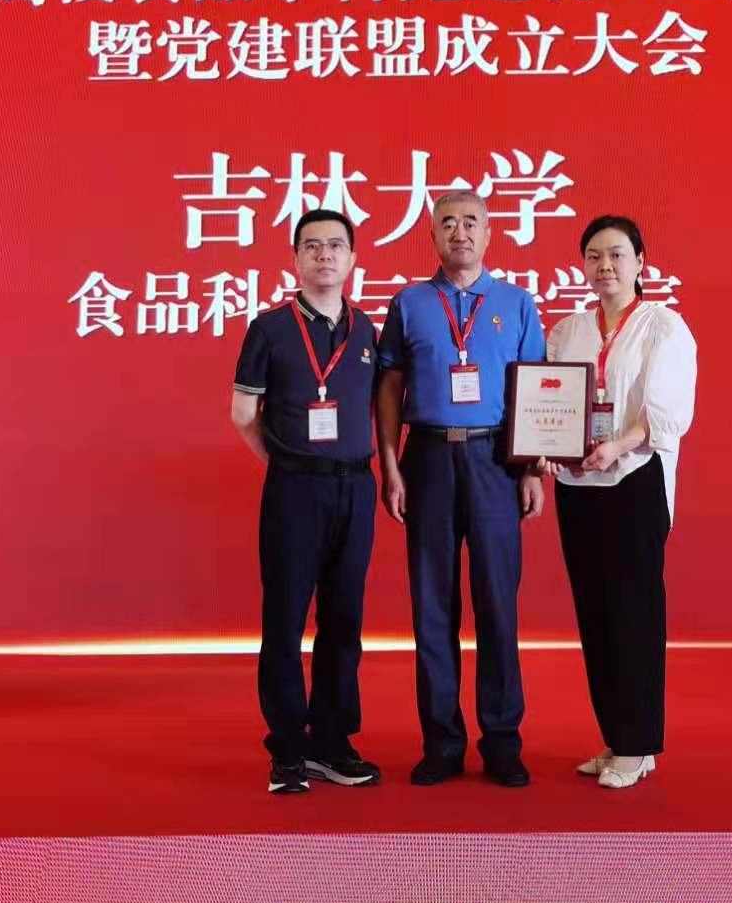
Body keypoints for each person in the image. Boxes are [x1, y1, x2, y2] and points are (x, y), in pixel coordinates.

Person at [376, 190, 546, 787]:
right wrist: (390, 466)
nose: (460, 232)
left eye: (471, 221)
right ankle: (442, 742)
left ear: (490, 232)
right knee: (432, 604)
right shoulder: (409, 302)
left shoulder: (516, 303)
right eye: (447, 223)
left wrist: (532, 469)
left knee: (498, 602)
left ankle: (502, 741)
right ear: (432, 235)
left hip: (495, 459)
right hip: (427, 457)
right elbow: (389, 386)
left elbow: (535, 388)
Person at [232, 208, 383, 794]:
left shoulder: (367, 331)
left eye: (336, 246)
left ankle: (332, 742)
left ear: (352, 259)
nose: (325, 255)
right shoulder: (269, 328)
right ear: (295, 258)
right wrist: (285, 461)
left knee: (344, 620)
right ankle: (288, 750)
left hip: (356, 486)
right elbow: (244, 415)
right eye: (312, 246)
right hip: (295, 488)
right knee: (286, 619)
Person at [544, 214, 697, 789]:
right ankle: (616, 737)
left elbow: (665, 414)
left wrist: (616, 446)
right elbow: (549, 404)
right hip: (578, 485)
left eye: (616, 255)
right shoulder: (568, 330)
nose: (604, 266)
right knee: (595, 612)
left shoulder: (663, 326)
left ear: (640, 263)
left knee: (635, 612)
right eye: (593, 256)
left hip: (634, 478)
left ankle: (638, 745)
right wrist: (548, 450)